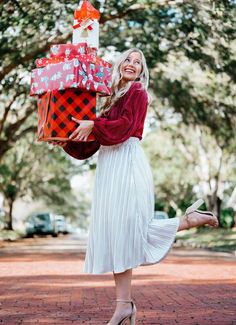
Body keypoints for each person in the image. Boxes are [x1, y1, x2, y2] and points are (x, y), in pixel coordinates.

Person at [52, 48, 219, 325]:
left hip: (127, 162)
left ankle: (188, 221)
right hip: (108, 164)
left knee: (129, 228)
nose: (131, 64)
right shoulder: (109, 97)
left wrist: (93, 124)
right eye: (128, 60)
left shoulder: (138, 92)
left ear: (142, 71)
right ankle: (124, 306)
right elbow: (94, 143)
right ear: (119, 65)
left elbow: (124, 127)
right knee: (119, 233)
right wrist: (66, 141)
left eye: (137, 62)